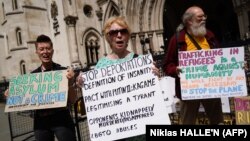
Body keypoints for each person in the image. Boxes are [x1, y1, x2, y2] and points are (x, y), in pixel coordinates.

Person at [77, 16, 159, 141]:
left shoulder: (140, 60)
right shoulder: (101, 65)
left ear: (127, 36)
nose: (119, 35)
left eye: (123, 31)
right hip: (114, 132)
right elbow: (95, 98)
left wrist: (156, 77)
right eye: (114, 32)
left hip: (139, 131)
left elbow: (151, 94)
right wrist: (83, 84)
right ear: (108, 37)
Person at [5, 34, 77, 141]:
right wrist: (11, 95)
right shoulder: (33, 76)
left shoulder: (63, 72)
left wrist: (70, 83)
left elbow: (73, 99)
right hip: (41, 122)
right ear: (37, 52)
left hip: (62, 118)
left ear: (52, 50)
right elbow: (24, 100)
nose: (45, 52)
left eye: (48, 48)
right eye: (41, 49)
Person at [163, 6, 224, 125]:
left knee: (218, 122)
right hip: (188, 91)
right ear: (189, 21)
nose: (204, 19)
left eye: (204, 16)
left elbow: (222, 58)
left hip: (211, 88)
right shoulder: (176, 40)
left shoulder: (209, 36)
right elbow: (167, 65)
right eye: (200, 17)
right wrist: (176, 69)